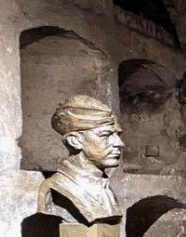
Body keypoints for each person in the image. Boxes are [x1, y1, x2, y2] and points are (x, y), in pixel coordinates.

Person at [37, 95, 124, 224]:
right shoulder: (59, 189)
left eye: (118, 135)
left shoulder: (106, 188)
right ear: (75, 141)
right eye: (105, 135)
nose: (119, 143)